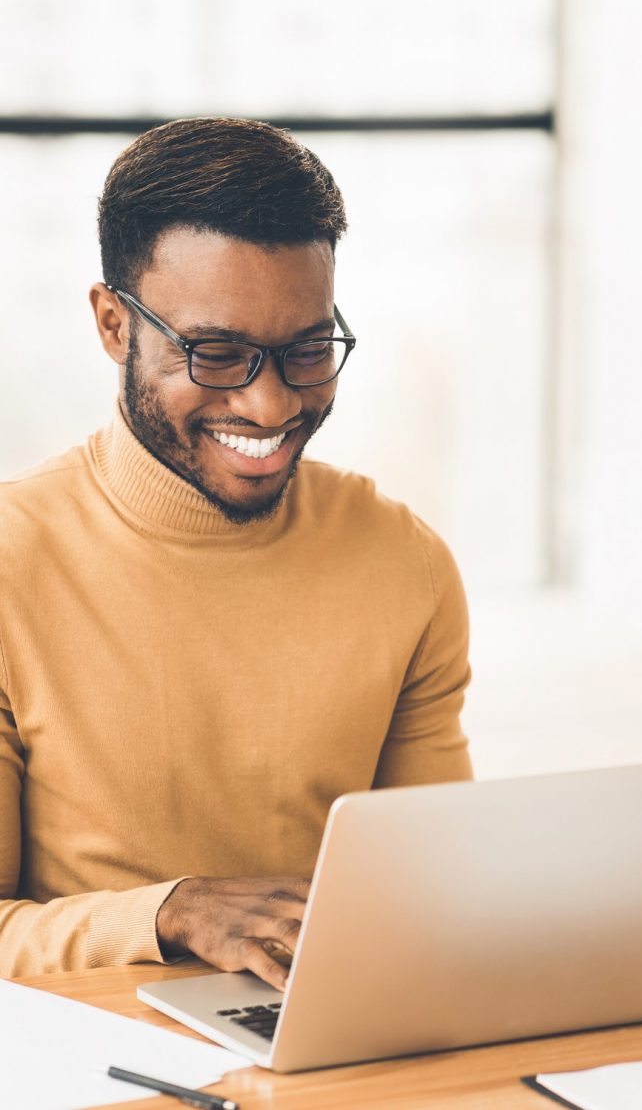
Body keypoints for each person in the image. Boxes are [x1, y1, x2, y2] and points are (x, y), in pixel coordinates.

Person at [0, 117, 472, 989]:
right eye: (215, 353)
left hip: (332, 1030)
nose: (267, 404)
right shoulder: (12, 562)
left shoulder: (406, 563)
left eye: (306, 350)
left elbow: (432, 886)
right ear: (112, 324)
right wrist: (169, 911)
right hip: (96, 1046)